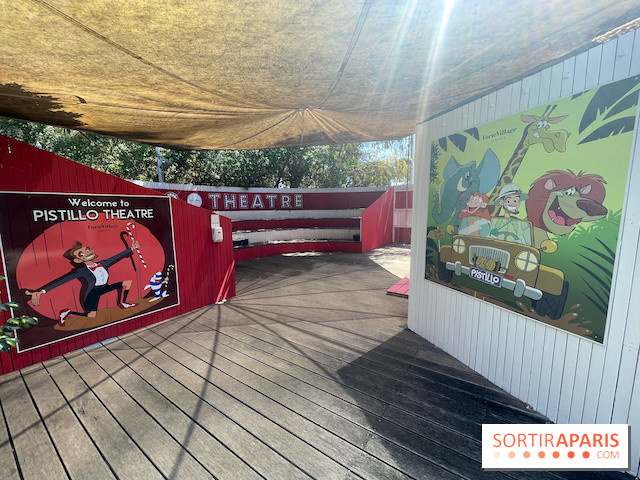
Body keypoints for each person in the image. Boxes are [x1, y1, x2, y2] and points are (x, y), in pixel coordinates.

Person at [26, 240, 139, 326]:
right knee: (91, 315)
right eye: (81, 254)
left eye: (87, 250)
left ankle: (123, 303)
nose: (87, 253)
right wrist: (41, 291)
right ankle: (67, 312)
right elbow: (62, 280)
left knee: (127, 283)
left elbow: (116, 257)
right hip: (93, 293)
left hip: (104, 287)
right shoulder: (81, 271)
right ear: (78, 260)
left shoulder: (103, 263)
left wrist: (131, 248)